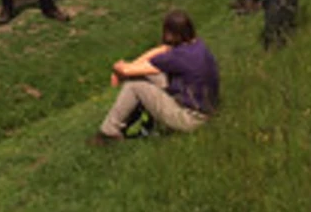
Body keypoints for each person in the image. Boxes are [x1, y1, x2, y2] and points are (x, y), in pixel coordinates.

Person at [90, 9, 219, 145]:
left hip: (189, 119)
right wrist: (131, 66)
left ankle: (108, 133)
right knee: (149, 75)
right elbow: (162, 50)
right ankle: (126, 124)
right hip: (205, 109)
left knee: (134, 85)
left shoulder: (176, 57)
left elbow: (126, 71)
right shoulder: (198, 45)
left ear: (170, 34)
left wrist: (117, 69)